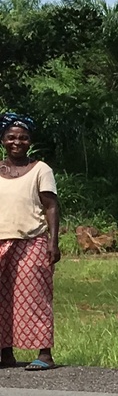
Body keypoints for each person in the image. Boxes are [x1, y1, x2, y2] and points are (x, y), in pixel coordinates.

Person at [0, 115, 60, 371]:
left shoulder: (40, 169)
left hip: (32, 242)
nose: (17, 142)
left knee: (35, 297)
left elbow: (51, 206)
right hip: (1, 241)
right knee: (3, 299)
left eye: (23, 137)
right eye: (11, 137)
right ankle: (5, 354)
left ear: (30, 141)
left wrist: (53, 242)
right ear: (2, 140)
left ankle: (44, 354)